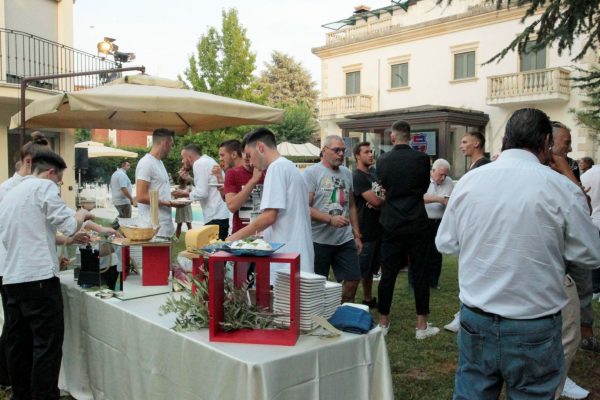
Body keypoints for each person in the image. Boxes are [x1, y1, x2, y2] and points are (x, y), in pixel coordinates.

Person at [436, 108, 600, 399]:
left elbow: (447, 242)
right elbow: (590, 254)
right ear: (547, 142)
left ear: (506, 139)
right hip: (531, 323)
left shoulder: (470, 183)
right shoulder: (561, 187)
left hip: (479, 318)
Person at [0, 151, 94, 400]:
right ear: (50, 173)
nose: (59, 185)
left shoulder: (11, 194)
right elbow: (68, 224)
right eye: (60, 180)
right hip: (38, 278)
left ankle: (21, 394)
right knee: (46, 346)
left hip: (12, 277)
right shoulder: (43, 187)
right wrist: (82, 215)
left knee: (19, 344)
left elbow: (23, 234)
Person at [376, 120, 439, 339]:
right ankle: (421, 326)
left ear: (393, 137)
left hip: (392, 221)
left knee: (388, 272)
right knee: (420, 271)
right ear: (410, 137)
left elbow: (383, 186)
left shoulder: (383, 160)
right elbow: (423, 187)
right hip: (415, 220)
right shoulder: (422, 159)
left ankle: (383, 322)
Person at [227, 128, 314, 281]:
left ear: (260, 147)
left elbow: (269, 217)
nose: (251, 162)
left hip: (287, 258)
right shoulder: (287, 166)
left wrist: (232, 239)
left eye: (249, 155)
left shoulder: (276, 168)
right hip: (296, 254)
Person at [551, 121, 600, 357]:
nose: (570, 148)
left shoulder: (569, 165)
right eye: (566, 142)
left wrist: (568, 171)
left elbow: (584, 207)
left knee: (583, 287)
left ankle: (585, 334)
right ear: (549, 142)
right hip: (551, 244)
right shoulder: (539, 167)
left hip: (572, 239)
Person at [304, 135, 362, 303]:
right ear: (324, 151)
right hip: (318, 240)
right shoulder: (311, 173)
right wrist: (329, 219)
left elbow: (351, 205)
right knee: (316, 285)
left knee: (352, 279)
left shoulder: (347, 173)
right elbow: (304, 208)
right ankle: (321, 317)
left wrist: (357, 234)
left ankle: (340, 313)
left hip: (344, 239)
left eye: (343, 150)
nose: (341, 154)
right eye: (336, 150)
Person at [174, 144, 230, 240]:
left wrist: (184, 193)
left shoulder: (198, 164)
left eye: (183, 158)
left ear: (189, 157)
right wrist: (189, 179)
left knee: (213, 253)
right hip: (221, 215)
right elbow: (207, 186)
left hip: (215, 216)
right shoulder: (207, 160)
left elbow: (202, 193)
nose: (182, 161)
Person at [136, 128, 185, 238]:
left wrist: (173, 196)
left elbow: (159, 191)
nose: (171, 149)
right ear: (165, 143)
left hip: (164, 228)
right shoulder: (146, 163)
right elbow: (141, 196)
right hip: (152, 230)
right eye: (171, 145)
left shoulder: (159, 163)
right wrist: (169, 203)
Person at [352, 142, 384, 308]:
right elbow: (376, 200)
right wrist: (378, 200)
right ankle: (348, 302)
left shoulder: (373, 174)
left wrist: (379, 200)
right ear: (357, 155)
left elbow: (381, 197)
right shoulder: (358, 176)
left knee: (372, 268)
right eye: (366, 152)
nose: (371, 155)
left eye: (371, 152)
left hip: (378, 228)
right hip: (365, 230)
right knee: (361, 269)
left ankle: (367, 298)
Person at [422, 158, 454, 289]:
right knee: (420, 252)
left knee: (436, 252)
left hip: (439, 221)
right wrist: (439, 199)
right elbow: (420, 197)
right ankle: (417, 281)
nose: (443, 177)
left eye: (445, 174)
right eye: (441, 174)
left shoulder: (449, 182)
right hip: (424, 221)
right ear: (433, 170)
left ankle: (434, 282)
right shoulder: (423, 180)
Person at [222, 141, 265, 234]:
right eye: (244, 152)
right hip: (240, 236)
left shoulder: (267, 172)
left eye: (249, 153)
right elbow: (232, 206)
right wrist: (253, 180)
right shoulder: (232, 173)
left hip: (264, 235)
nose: (246, 156)